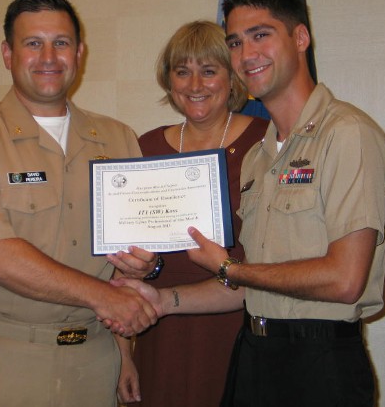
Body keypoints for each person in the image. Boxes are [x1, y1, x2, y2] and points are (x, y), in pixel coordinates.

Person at [110, 0, 385, 407]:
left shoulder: (347, 133)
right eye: (236, 42)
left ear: (300, 38)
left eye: (261, 35)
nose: (247, 54)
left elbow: (345, 279)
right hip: (255, 351)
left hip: (319, 358)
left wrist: (230, 267)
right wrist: (162, 299)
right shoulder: (265, 153)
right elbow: (256, 284)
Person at [0, 0, 158, 407]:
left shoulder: (119, 138)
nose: (49, 56)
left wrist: (124, 351)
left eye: (61, 42)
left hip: (94, 361)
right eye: (32, 43)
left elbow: (129, 267)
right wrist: (103, 296)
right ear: (8, 53)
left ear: (80, 51)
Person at [112, 21, 268, 406]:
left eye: (209, 70)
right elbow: (121, 266)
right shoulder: (144, 146)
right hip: (158, 332)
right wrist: (122, 356)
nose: (195, 84)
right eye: (182, 71)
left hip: (241, 328)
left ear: (232, 79)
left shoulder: (268, 142)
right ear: (169, 81)